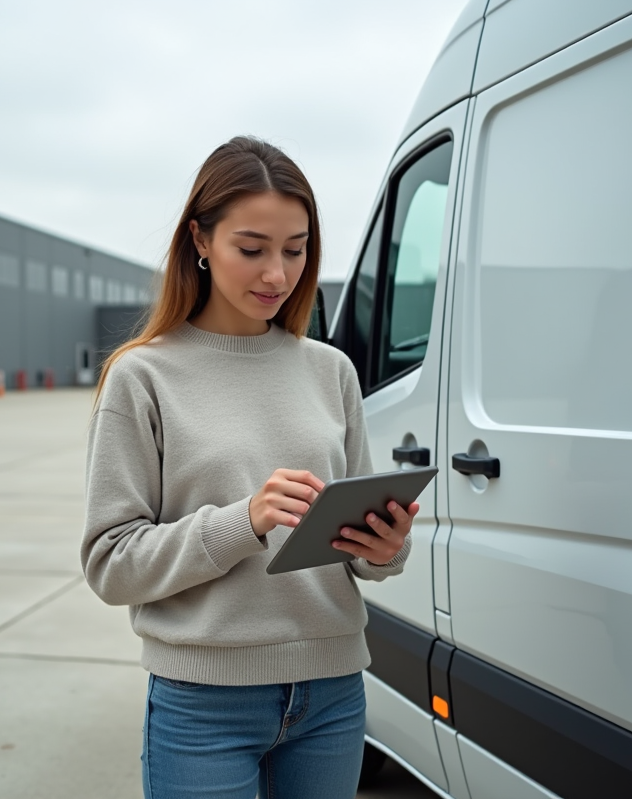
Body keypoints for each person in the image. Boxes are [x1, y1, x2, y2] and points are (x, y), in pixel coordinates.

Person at [81, 136, 417, 799]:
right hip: (203, 703)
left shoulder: (331, 370)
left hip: (333, 694)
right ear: (200, 240)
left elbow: (360, 556)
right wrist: (243, 520)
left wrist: (384, 548)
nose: (277, 275)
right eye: (253, 249)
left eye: (296, 250)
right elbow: (110, 564)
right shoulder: (142, 377)